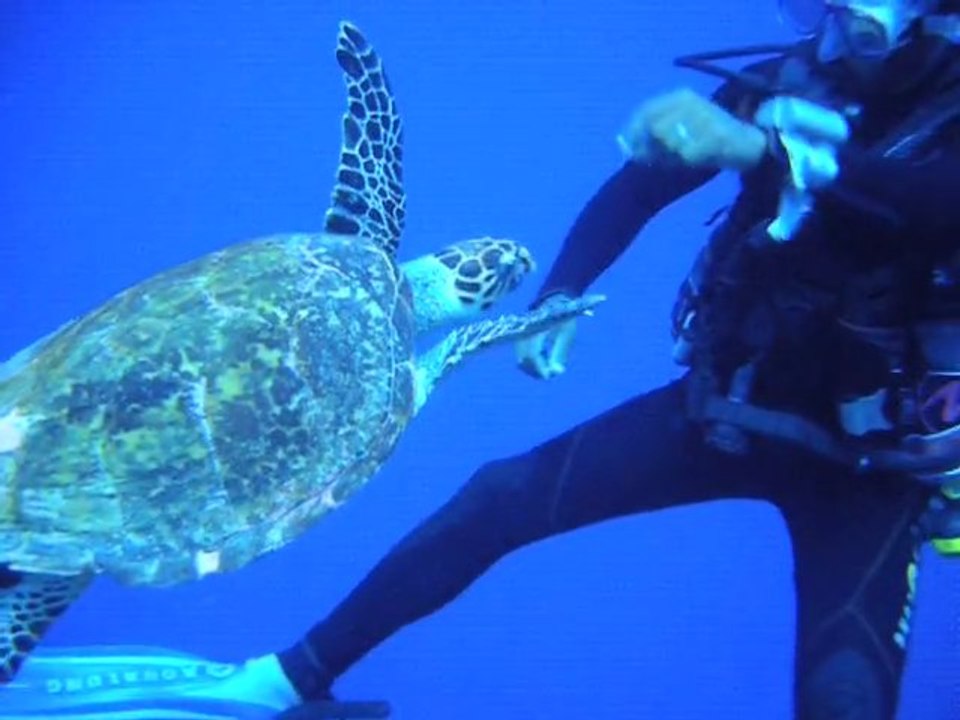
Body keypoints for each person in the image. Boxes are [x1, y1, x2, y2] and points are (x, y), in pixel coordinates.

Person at [8, 1, 960, 718]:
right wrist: (552, 298)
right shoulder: (782, 82)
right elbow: (634, 191)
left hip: (867, 469)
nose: (837, 25)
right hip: (724, 409)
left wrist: (759, 150)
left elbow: (925, 207)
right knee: (499, 497)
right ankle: (282, 681)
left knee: (843, 690)